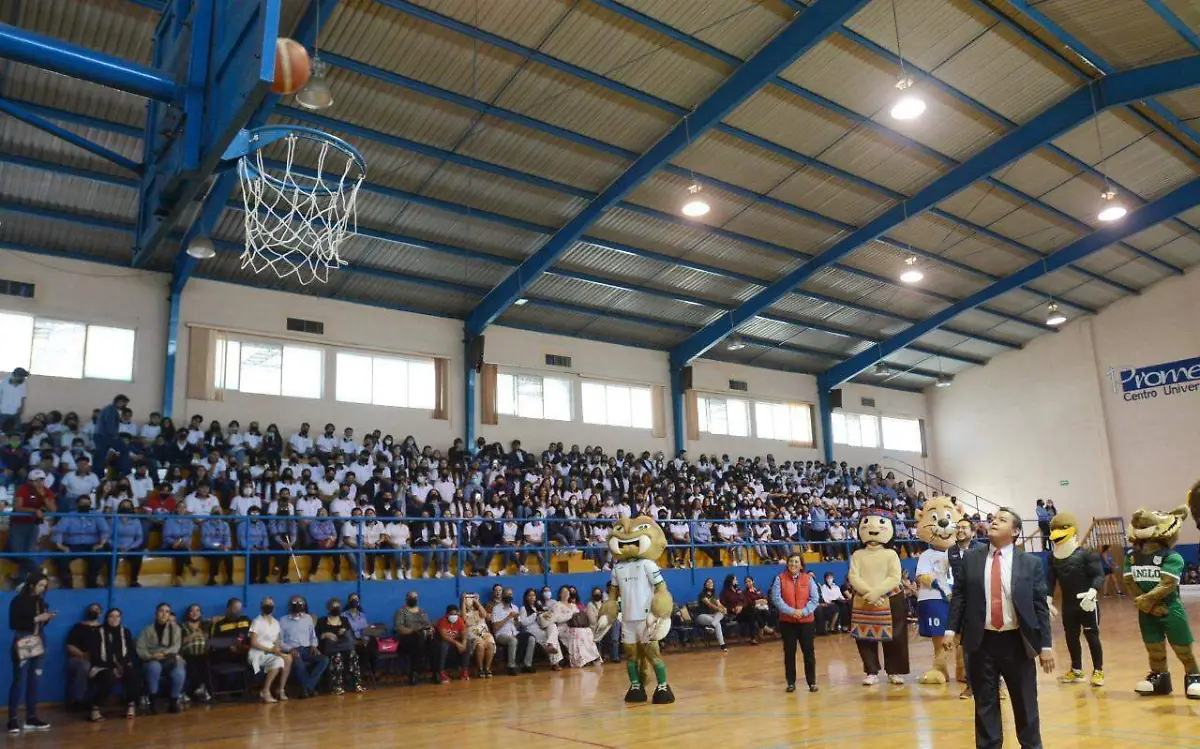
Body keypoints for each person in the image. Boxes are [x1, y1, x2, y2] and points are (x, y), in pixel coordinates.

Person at [944, 508, 1054, 749]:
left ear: (1014, 531)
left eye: (1002, 520)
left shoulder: (1031, 563)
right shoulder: (971, 558)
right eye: (993, 518)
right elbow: (960, 596)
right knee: (985, 704)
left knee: (1025, 704)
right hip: (981, 641)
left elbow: (1040, 607)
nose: (994, 521)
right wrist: (951, 629)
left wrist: (1045, 646)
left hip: (1017, 642)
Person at [8, 570, 53, 734]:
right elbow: (13, 623)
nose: (42, 588)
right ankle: (12, 719)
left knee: (35, 680)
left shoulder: (40, 601)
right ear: (32, 584)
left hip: (39, 640)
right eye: (40, 585)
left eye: (45, 586)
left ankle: (31, 717)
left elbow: (40, 625)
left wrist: (46, 619)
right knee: (19, 680)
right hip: (23, 641)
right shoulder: (18, 600)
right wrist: (36, 619)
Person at [770, 553, 819, 693]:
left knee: (809, 653)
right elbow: (776, 599)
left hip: (807, 622)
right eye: (791, 561)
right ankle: (791, 683)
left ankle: (812, 682)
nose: (793, 564)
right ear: (787, 564)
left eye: (796, 562)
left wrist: (803, 612)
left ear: (801, 565)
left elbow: (814, 598)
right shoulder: (780, 579)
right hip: (787, 622)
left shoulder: (808, 579)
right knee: (789, 653)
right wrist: (792, 612)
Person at [86, 608, 140, 722]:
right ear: (106, 618)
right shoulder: (97, 632)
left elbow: (130, 652)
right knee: (109, 677)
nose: (115, 619)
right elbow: (94, 654)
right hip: (101, 665)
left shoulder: (125, 631)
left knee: (132, 673)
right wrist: (112, 667)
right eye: (111, 616)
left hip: (122, 664)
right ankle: (95, 707)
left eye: (117, 616)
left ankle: (131, 705)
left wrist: (122, 665)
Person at [136, 603, 186, 714]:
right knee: (154, 667)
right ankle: (153, 703)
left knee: (179, 673)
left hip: (169, 658)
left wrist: (163, 653)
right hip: (152, 659)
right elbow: (140, 648)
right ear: (156, 614)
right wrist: (151, 656)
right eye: (161, 611)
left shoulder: (176, 629)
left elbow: (176, 646)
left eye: (167, 611)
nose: (164, 614)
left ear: (169, 615)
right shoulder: (146, 630)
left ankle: (173, 702)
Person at [10, 469, 55, 585]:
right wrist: (35, 510)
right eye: (36, 481)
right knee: (17, 552)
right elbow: (17, 507)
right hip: (17, 524)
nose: (39, 483)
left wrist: (43, 497)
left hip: (33, 524)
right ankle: (38, 573)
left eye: (41, 480)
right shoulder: (23, 489)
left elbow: (54, 510)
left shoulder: (46, 491)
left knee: (29, 552)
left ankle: (22, 579)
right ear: (30, 481)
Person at [279, 596, 328, 698]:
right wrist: (290, 649)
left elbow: (313, 636)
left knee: (324, 660)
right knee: (298, 663)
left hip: (308, 649)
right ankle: (309, 689)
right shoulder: (283, 620)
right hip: (293, 651)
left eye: (300, 603)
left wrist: (314, 646)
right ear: (290, 606)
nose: (297, 605)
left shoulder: (308, 618)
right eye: (295, 603)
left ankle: (307, 688)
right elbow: (280, 641)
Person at [248, 597, 292, 703]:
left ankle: (280, 689)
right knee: (278, 661)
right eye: (266, 604)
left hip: (271, 651)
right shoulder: (257, 621)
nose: (269, 606)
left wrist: (277, 649)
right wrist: (270, 649)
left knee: (288, 658)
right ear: (261, 607)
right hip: (257, 653)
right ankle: (265, 691)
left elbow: (276, 641)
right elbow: (253, 642)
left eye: (271, 604)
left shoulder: (276, 623)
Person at [316, 599, 363, 694]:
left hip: (344, 646)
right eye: (334, 606)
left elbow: (351, 634)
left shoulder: (344, 620)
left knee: (352, 654)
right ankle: (336, 685)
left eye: (338, 606)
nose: (336, 609)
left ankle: (356, 684)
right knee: (337, 657)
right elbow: (316, 636)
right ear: (328, 608)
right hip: (330, 647)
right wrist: (325, 635)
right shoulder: (322, 621)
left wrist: (345, 631)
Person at [65, 603, 103, 709]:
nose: (94, 611)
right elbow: (70, 646)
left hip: (98, 659)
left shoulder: (103, 629)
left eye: (97, 609)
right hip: (79, 658)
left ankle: (96, 701)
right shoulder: (78, 627)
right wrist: (82, 655)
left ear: (100, 614)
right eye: (92, 609)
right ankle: (78, 700)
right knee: (85, 666)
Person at [394, 592, 436, 685]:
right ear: (406, 599)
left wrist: (430, 629)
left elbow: (427, 624)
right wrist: (413, 630)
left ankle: (436, 672)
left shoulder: (422, 612)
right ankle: (414, 673)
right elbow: (399, 628)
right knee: (417, 640)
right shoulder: (401, 611)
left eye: (415, 597)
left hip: (423, 637)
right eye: (411, 597)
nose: (413, 599)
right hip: (406, 638)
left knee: (434, 642)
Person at [490, 587, 532, 675]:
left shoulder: (515, 608)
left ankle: (527, 664)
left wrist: (517, 620)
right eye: (507, 594)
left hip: (514, 633)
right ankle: (511, 666)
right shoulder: (496, 609)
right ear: (503, 595)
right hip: (501, 635)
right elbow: (495, 627)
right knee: (513, 640)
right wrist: (508, 617)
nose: (509, 596)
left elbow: (517, 627)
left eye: (511, 594)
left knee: (531, 638)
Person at [179, 604, 212, 704]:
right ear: (188, 614)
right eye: (192, 611)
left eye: (197, 611)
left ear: (200, 613)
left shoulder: (205, 624)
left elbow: (208, 636)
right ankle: (199, 689)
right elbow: (180, 641)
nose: (194, 613)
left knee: (205, 663)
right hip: (189, 653)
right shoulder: (182, 626)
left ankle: (202, 689)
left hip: (204, 652)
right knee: (192, 664)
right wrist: (194, 635)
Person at [93, 394, 130, 476]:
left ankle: (99, 475)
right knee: (124, 449)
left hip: (101, 436)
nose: (125, 406)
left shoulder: (109, 409)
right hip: (105, 436)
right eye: (125, 403)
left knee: (100, 457)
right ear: (120, 402)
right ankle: (124, 471)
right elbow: (110, 425)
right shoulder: (111, 410)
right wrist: (115, 435)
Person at [460, 593, 496, 678]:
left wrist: (477, 602)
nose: (470, 601)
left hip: (484, 632)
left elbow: (485, 615)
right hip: (472, 634)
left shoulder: (478, 611)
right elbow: (464, 619)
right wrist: (463, 602)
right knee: (480, 645)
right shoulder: (462, 612)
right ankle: (480, 669)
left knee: (490, 644)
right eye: (468, 599)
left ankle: (487, 668)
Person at [434, 604, 469, 683]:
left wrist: (463, 643)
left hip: (454, 642)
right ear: (447, 614)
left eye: (455, 614)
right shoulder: (442, 621)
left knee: (468, 644)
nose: (454, 616)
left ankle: (464, 671)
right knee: (444, 645)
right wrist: (457, 644)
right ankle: (441, 672)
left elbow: (464, 633)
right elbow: (444, 636)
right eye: (451, 614)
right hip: (444, 642)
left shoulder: (459, 620)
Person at [694, 578, 728, 652]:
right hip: (702, 616)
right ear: (705, 584)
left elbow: (719, 604)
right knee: (717, 623)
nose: (710, 583)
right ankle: (722, 645)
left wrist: (724, 608)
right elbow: (709, 604)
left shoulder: (714, 595)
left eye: (712, 582)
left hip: (713, 615)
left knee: (721, 614)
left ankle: (711, 626)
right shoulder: (702, 594)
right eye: (708, 582)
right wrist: (719, 609)